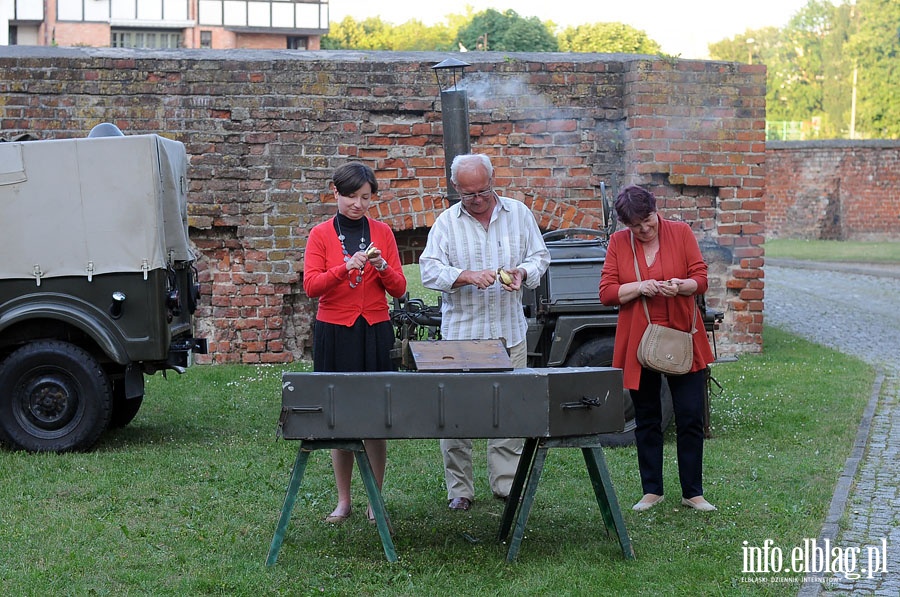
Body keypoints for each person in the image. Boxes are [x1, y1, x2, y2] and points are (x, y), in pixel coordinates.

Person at [420, 153, 551, 511]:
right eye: (469, 194)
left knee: (509, 409)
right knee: (454, 412)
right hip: (462, 335)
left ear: (493, 182)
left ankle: (506, 483)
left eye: (484, 190)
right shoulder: (447, 223)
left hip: (509, 332)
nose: (478, 199)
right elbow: (429, 270)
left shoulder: (519, 213)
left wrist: (523, 273)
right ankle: (459, 489)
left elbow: (540, 256)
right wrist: (465, 276)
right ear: (456, 189)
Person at [599, 184, 717, 512]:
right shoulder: (618, 243)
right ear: (626, 225)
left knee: (690, 415)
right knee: (647, 417)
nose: (645, 229)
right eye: (637, 226)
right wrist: (639, 287)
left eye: (649, 221)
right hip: (640, 342)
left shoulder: (680, 232)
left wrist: (682, 286)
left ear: (656, 210)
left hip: (682, 336)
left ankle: (692, 493)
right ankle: (652, 490)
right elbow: (607, 292)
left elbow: (701, 279)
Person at [302, 161, 407, 523]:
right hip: (335, 331)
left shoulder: (383, 233)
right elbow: (311, 286)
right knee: (340, 418)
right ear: (335, 193)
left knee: (376, 418)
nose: (358, 205)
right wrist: (343, 268)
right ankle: (343, 499)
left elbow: (400, 288)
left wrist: (380, 267)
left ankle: (374, 499)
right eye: (350, 197)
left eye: (365, 198)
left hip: (375, 330)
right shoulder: (320, 235)